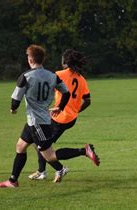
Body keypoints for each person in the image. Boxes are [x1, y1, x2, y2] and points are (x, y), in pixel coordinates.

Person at [0, 45, 72, 188]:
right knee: (20, 146)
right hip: (36, 121)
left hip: (38, 122)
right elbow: (66, 93)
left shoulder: (26, 76)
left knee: (49, 155)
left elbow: (15, 99)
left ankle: (64, 166)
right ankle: (13, 180)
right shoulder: (52, 76)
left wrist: (13, 109)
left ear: (30, 60)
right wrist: (60, 107)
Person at [28, 49, 100, 181]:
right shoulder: (81, 78)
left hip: (58, 118)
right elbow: (88, 101)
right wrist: (75, 110)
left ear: (64, 61)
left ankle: (84, 151)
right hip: (70, 118)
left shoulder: (59, 74)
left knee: (45, 148)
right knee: (38, 141)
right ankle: (42, 171)